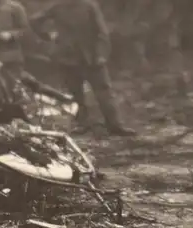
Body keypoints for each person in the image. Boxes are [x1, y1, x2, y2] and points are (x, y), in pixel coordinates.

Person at [31, 0, 136, 136]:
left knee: (104, 93)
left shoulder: (89, 6)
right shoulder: (57, 7)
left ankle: (115, 125)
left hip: (91, 57)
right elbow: (34, 21)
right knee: (77, 94)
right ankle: (83, 125)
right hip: (67, 58)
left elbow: (101, 31)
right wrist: (48, 36)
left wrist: (101, 54)